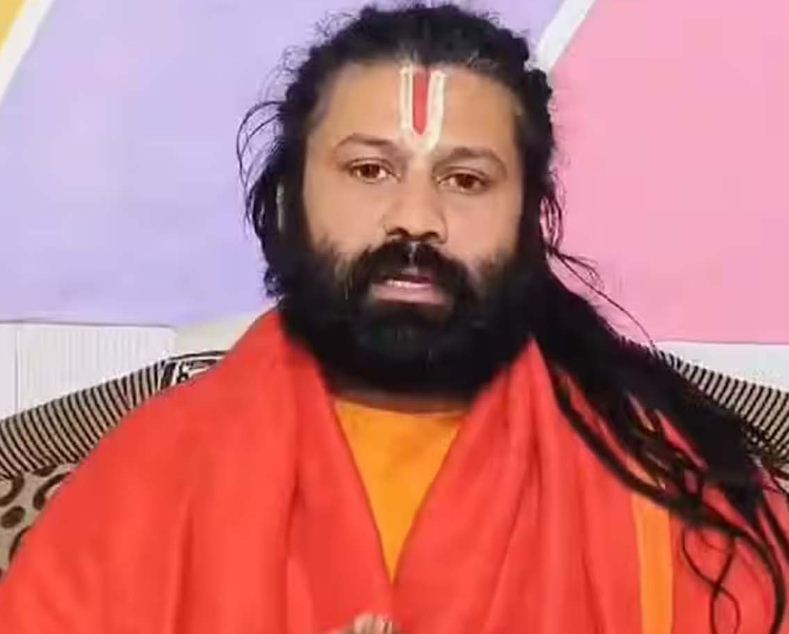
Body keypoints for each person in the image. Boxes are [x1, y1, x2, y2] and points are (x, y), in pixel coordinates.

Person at [0, 4, 787, 633]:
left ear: (529, 219)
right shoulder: (143, 486)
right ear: (289, 200)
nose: (415, 219)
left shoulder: (676, 496)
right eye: (369, 170)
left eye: (466, 180)